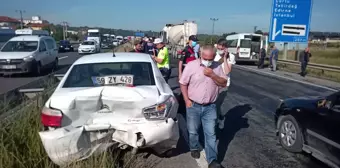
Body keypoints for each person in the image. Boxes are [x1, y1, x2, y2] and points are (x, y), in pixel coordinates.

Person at [179, 45, 227, 168]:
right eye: (205, 58)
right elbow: (183, 83)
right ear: (201, 55)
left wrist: (212, 75)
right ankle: (194, 147)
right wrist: (186, 100)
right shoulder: (191, 66)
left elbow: (224, 83)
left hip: (210, 106)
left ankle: (212, 161)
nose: (208, 61)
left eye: (210, 58)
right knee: (193, 131)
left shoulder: (217, 67)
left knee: (211, 134)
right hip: (193, 105)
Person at [214, 39, 236, 129]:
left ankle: (215, 124)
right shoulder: (214, 55)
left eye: (222, 48)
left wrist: (225, 58)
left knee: (217, 104)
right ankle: (219, 117)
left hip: (224, 84)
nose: (220, 49)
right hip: (213, 82)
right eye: (219, 47)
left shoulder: (231, 57)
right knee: (212, 104)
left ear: (226, 48)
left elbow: (227, 71)